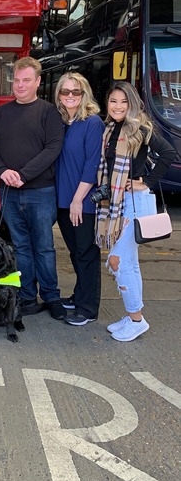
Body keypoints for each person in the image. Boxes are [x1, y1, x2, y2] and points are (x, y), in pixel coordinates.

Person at [0, 57, 66, 319]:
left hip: (40, 192)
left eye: (26, 80)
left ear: (38, 82)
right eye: (17, 80)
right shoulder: (2, 112)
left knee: (43, 247)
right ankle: (28, 295)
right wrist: (2, 171)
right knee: (21, 248)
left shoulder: (48, 112)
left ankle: (52, 296)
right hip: (10, 193)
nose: (20, 85)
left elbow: (53, 148)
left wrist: (24, 174)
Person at [95, 81, 176, 342]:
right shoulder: (110, 130)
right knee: (130, 263)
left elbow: (168, 153)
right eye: (113, 101)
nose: (118, 106)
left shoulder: (139, 129)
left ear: (132, 104)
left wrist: (145, 182)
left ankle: (137, 319)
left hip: (135, 203)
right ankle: (133, 317)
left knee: (117, 260)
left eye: (123, 101)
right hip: (119, 203)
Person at [55, 73, 105, 326]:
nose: (70, 96)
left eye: (75, 92)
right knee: (76, 253)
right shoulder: (63, 122)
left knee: (86, 253)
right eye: (65, 92)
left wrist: (78, 200)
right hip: (63, 200)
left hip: (81, 202)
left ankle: (88, 308)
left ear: (84, 94)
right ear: (59, 96)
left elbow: (92, 164)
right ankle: (78, 296)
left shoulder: (92, 123)